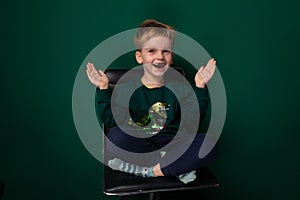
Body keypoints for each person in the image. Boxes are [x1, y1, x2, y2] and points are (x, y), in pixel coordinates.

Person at [86, 19, 218, 183]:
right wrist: (104, 89)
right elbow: (111, 120)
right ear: (139, 57)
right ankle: (174, 167)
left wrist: (200, 87)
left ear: (172, 57)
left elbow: (192, 122)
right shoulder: (126, 89)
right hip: (142, 145)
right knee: (115, 136)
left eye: (166, 52)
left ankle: (150, 171)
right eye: (152, 51)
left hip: (173, 145)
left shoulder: (180, 88)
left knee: (209, 143)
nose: (160, 57)